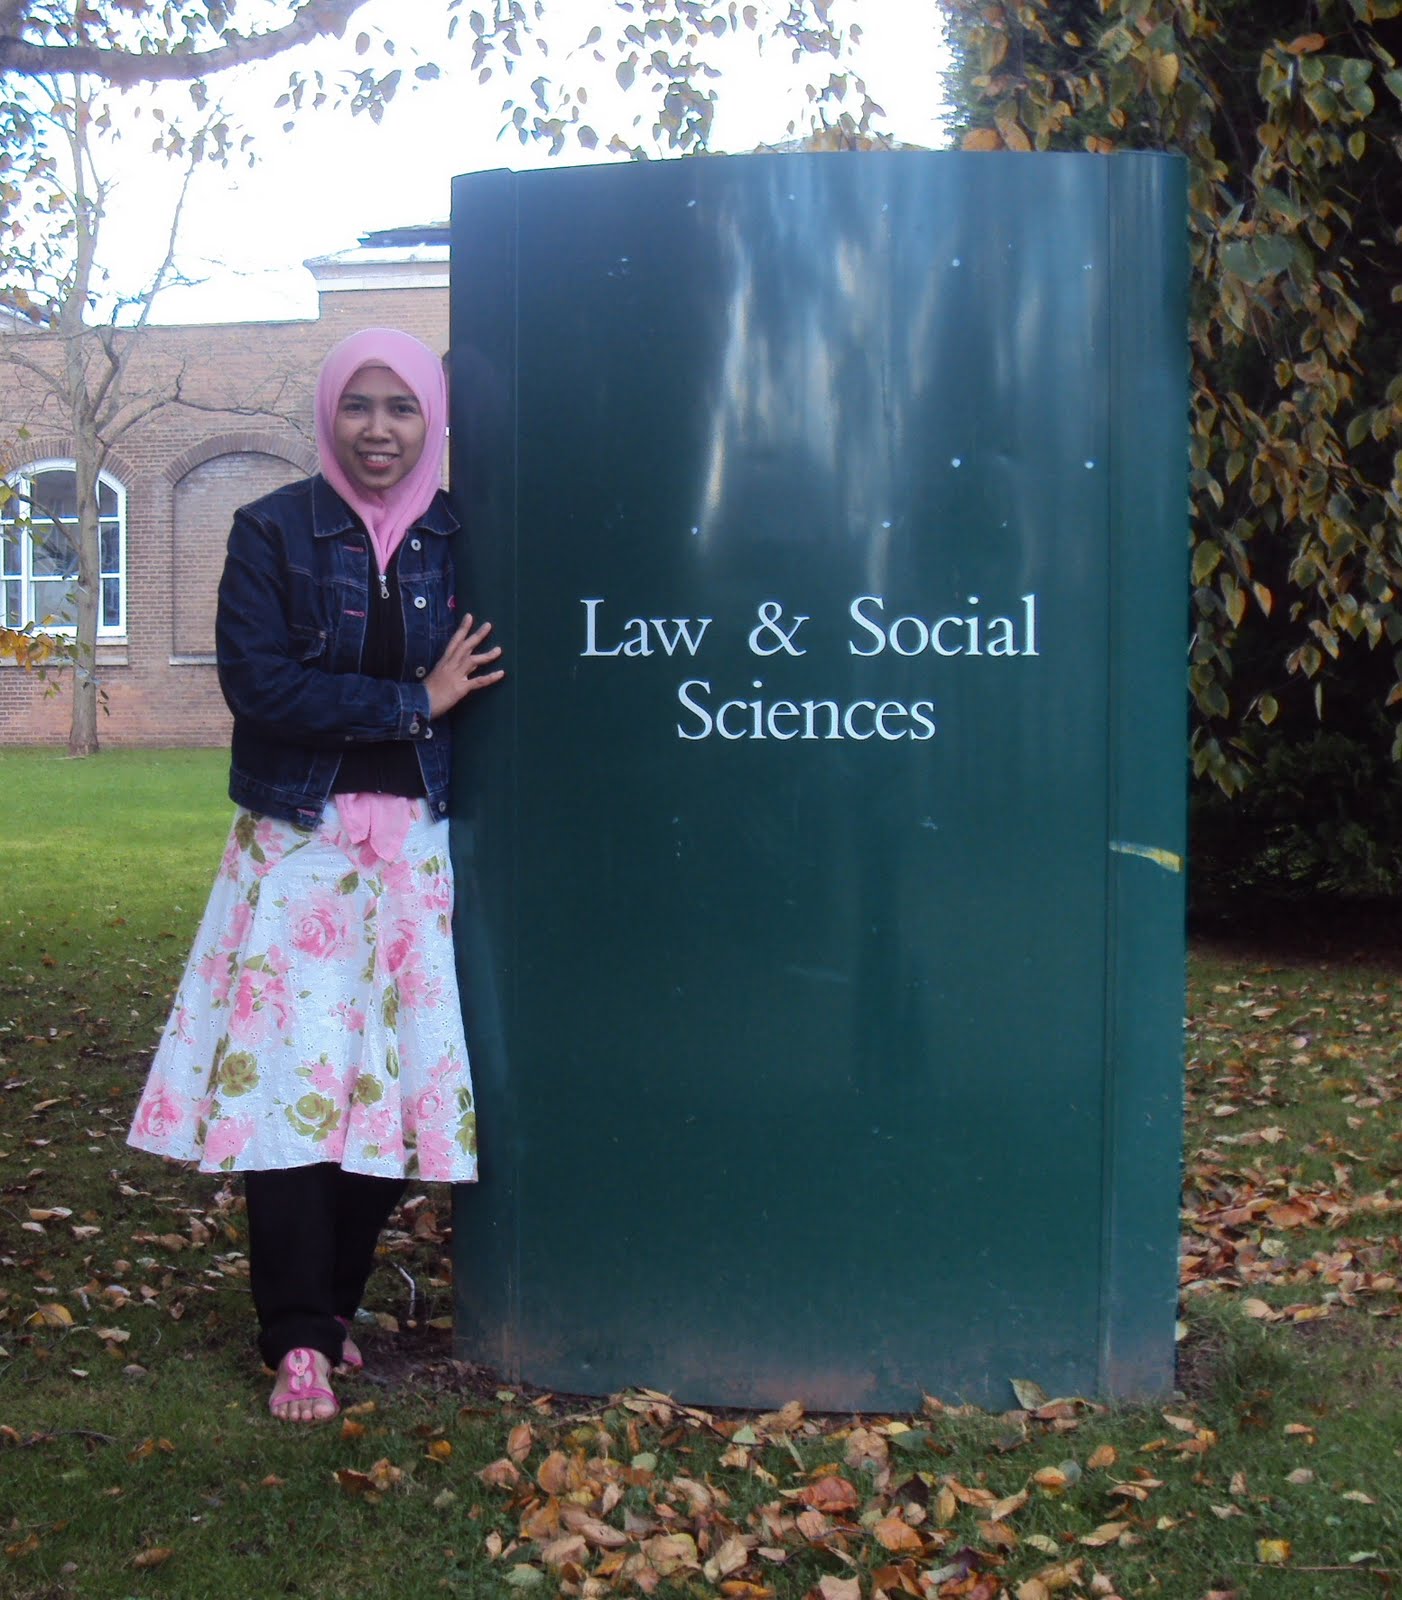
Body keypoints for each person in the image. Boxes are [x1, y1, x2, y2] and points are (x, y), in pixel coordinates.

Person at [128, 328, 503, 1423]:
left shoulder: (466, 536)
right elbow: (261, 687)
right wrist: (414, 703)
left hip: (416, 853)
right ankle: (293, 1334)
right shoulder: (272, 529)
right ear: (329, 413)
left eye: (402, 407)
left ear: (432, 418)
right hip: (298, 850)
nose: (379, 430)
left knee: (387, 1087)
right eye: (358, 405)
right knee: (286, 1091)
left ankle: (335, 1309)